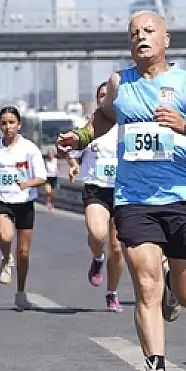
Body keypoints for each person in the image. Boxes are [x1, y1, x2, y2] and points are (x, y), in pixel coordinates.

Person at [57, 11, 186, 371]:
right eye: (134, 33)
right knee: (145, 287)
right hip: (133, 200)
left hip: (181, 198)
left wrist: (185, 127)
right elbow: (103, 118)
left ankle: (174, 288)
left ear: (166, 40)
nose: (141, 37)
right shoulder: (120, 83)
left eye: (149, 31)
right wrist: (81, 137)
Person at [0, 107, 47, 310]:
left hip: (25, 202)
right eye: (4, 123)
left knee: (23, 252)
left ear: (19, 124)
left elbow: (42, 177)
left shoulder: (29, 148)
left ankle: (21, 292)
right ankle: (6, 258)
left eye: (12, 122)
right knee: (5, 237)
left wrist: (27, 183)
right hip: (3, 200)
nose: (8, 127)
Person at [71, 81, 126, 312]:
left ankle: (112, 293)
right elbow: (73, 150)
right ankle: (97, 258)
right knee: (97, 233)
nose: (106, 99)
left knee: (117, 248)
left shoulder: (127, 125)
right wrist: (73, 164)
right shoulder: (91, 126)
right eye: (102, 95)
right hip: (96, 188)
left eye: (110, 95)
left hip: (123, 190)